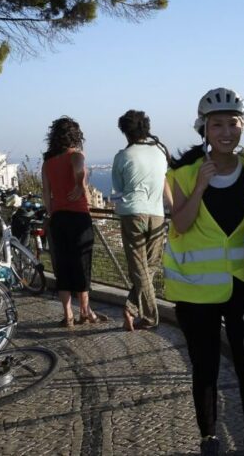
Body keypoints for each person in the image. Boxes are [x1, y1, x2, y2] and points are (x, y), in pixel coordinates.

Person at [163, 88, 244, 456]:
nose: (225, 131)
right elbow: (182, 225)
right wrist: (201, 185)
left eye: (233, 124)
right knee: (204, 368)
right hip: (195, 292)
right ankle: (209, 439)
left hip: (243, 286)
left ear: (243, 127)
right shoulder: (183, 173)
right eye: (216, 124)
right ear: (203, 129)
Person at [41, 116, 105, 327]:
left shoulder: (47, 163)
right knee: (82, 265)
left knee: (63, 267)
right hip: (78, 218)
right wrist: (79, 185)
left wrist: (52, 215)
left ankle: (68, 314)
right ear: (76, 136)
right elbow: (78, 167)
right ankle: (84, 312)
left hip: (58, 219)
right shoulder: (76, 155)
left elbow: (46, 194)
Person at [111, 110, 170, 331]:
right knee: (152, 263)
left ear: (125, 131)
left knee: (140, 267)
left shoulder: (123, 156)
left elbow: (117, 192)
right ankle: (135, 310)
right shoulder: (160, 152)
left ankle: (144, 314)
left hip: (131, 213)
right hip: (157, 214)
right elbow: (164, 180)